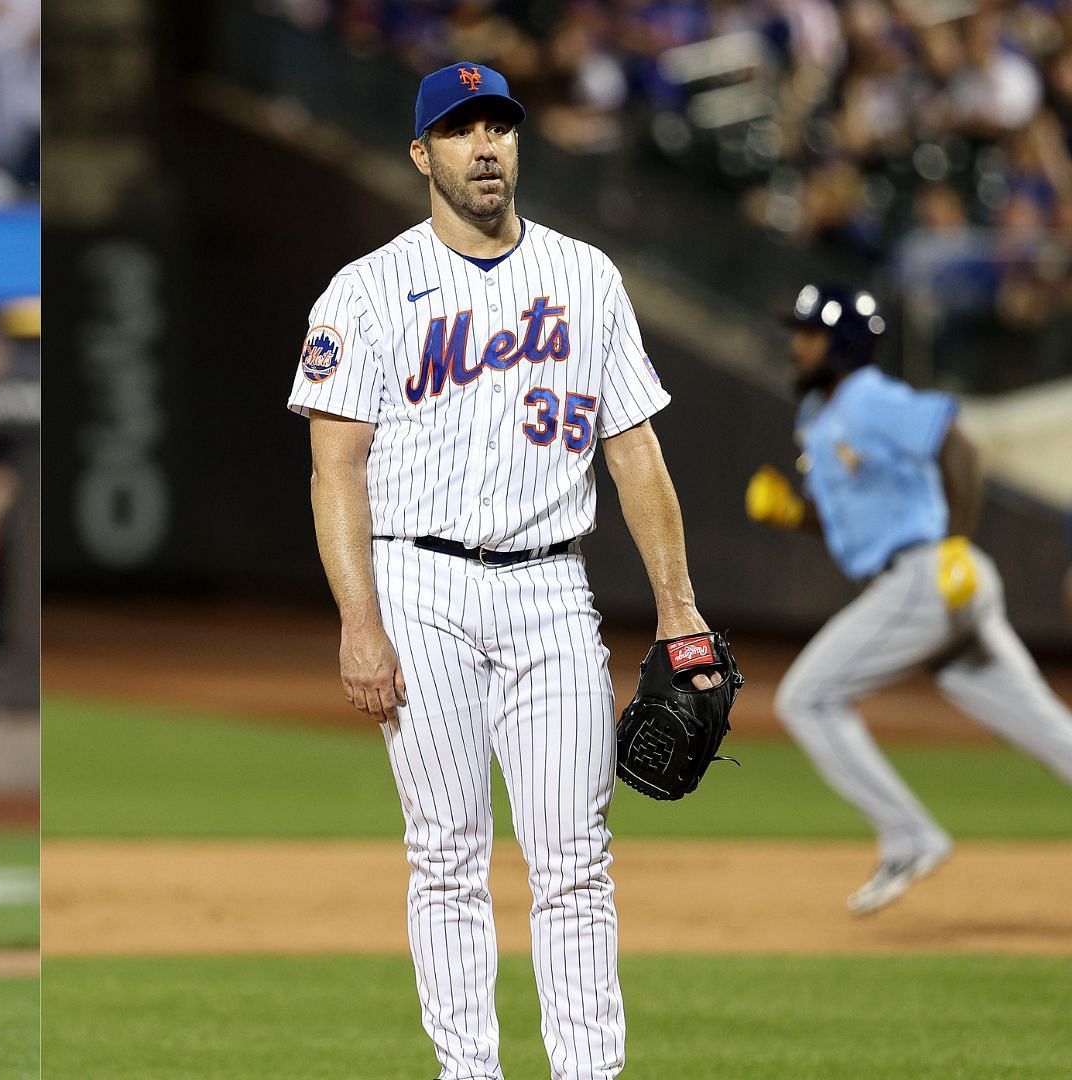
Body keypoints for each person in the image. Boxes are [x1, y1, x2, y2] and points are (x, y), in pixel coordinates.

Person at [290, 62, 716, 1080]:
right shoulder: (367, 289)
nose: (484, 146)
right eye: (460, 130)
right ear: (421, 154)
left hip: (550, 588)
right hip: (418, 584)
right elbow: (334, 470)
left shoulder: (586, 278)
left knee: (575, 860)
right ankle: (468, 1073)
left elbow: (635, 454)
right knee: (447, 853)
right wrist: (360, 619)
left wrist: (680, 610)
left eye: (499, 128)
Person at [747, 282, 1072, 915]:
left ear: (839, 343)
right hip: (937, 585)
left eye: (809, 333)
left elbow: (959, 447)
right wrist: (796, 516)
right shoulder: (819, 417)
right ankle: (909, 834)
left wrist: (954, 540)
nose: (796, 344)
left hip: (932, 574)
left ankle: (909, 835)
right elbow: (855, 519)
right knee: (1045, 726)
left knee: (807, 697)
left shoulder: (868, 397)